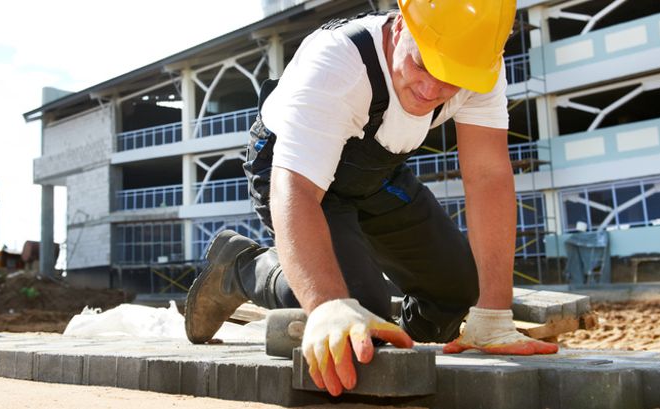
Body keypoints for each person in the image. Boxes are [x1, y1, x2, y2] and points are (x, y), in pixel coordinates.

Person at [184, 0, 558, 397]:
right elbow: (295, 190)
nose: (431, 89)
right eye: (421, 64)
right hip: (293, 174)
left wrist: (494, 316)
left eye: (452, 79)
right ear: (400, 28)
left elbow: (488, 178)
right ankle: (241, 267)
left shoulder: (478, 66)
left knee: (457, 292)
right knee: (353, 315)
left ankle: (392, 342)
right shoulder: (338, 63)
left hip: (376, 173)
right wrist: (328, 306)